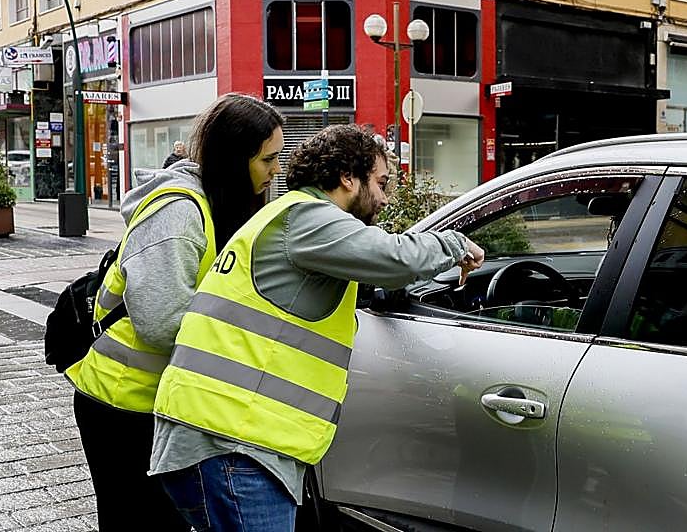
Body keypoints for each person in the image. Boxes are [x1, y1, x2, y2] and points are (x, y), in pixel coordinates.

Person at [151, 124, 485, 531]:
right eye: (380, 183)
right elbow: (394, 258)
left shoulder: (290, 218)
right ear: (347, 177)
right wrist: (455, 245)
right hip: (234, 444)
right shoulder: (309, 218)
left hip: (220, 436)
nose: (385, 198)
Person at [66, 93, 285, 531]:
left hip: (160, 403)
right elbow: (161, 323)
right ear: (233, 158)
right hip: (121, 404)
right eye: (267, 159)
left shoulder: (219, 205)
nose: (275, 170)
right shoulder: (178, 214)